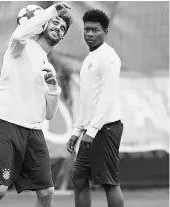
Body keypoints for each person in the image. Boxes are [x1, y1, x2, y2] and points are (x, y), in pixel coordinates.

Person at [0, 2, 72, 207]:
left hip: (33, 131)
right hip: (5, 123)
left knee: (46, 193)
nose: (58, 28)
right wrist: (52, 11)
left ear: (63, 38)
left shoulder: (48, 67)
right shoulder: (21, 47)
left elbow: (49, 114)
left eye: (62, 28)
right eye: (54, 23)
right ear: (42, 24)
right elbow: (19, 35)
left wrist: (54, 89)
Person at [67, 9, 124, 207]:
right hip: (90, 130)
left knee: (108, 182)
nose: (89, 34)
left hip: (105, 129)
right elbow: (88, 100)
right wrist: (77, 131)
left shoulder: (109, 57)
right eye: (87, 29)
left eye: (95, 30)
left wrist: (91, 130)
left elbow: (108, 97)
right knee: (80, 180)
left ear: (105, 32)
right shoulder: (89, 58)